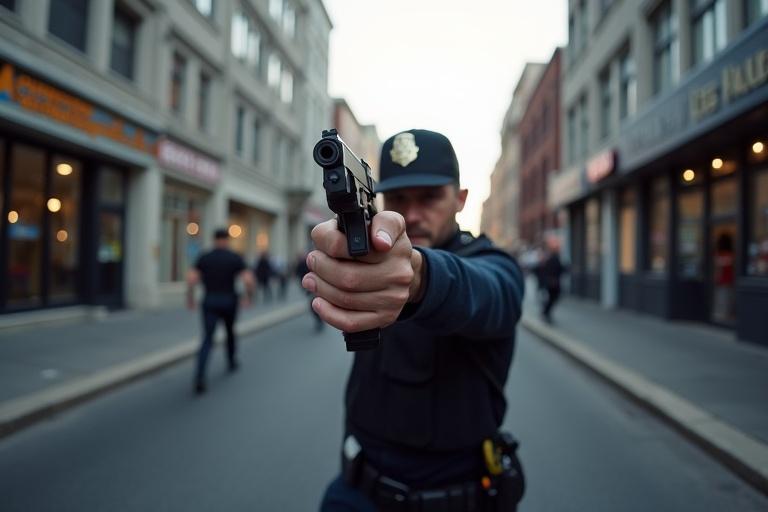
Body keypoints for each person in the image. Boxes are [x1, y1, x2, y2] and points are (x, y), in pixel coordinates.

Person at [304, 129, 526, 511]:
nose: (413, 214)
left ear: (460, 199)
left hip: (456, 498)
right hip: (356, 489)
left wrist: (421, 276)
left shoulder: (494, 264)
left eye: (429, 197)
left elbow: (489, 294)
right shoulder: (373, 256)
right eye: (399, 199)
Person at [186, 228, 254, 395]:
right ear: (227, 240)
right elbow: (248, 279)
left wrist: (190, 298)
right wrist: (248, 297)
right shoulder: (234, 257)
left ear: (214, 239)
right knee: (230, 332)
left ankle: (200, 376)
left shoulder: (205, 257)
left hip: (209, 300)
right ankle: (231, 361)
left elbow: (192, 279)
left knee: (207, 338)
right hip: (229, 300)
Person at [536, 235, 566, 324]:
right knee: (552, 298)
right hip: (552, 282)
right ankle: (545, 313)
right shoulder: (552, 257)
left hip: (553, 282)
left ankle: (545, 312)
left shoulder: (552, 257)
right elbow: (550, 269)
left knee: (552, 298)